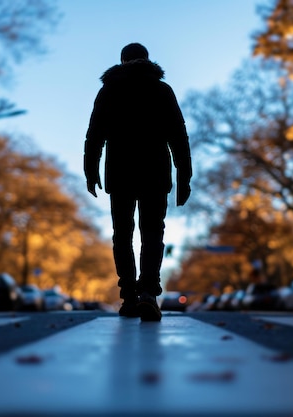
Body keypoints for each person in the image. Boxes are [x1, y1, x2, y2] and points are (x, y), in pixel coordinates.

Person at [84, 43, 192, 321]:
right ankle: (149, 294)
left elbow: (94, 134)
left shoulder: (109, 91)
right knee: (153, 232)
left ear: (122, 61)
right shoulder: (161, 90)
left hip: (120, 173)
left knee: (122, 234)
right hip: (155, 171)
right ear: (147, 59)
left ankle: (129, 297)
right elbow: (179, 136)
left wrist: (90, 170)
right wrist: (184, 176)